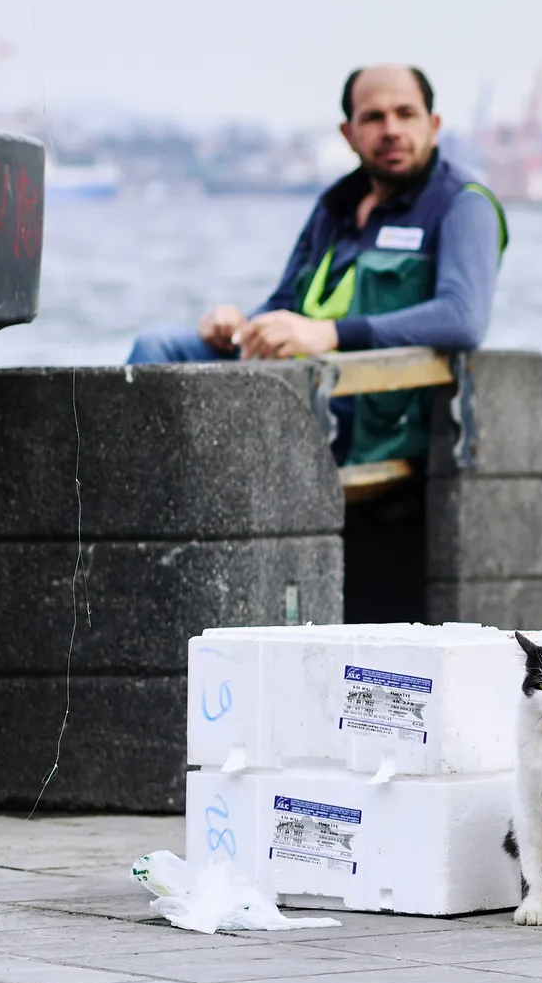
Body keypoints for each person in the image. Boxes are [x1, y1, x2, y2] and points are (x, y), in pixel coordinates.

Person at [128, 64, 506, 624]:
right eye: (373, 117)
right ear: (348, 134)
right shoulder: (335, 206)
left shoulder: (463, 204)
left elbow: (463, 317)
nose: (391, 129)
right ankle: (134, 539)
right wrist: (240, 324)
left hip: (370, 415)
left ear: (435, 123)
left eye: (406, 114)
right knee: (160, 347)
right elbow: (285, 302)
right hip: (296, 386)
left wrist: (329, 335)